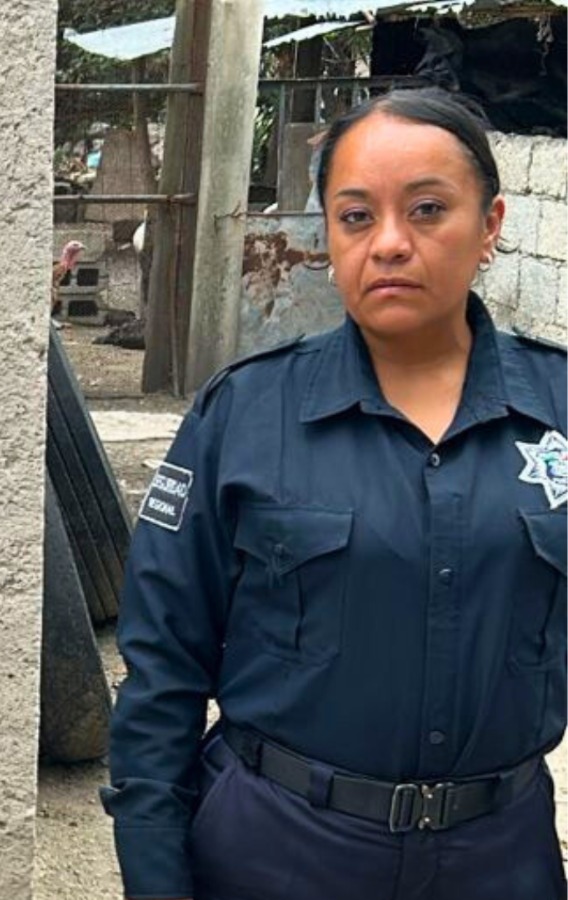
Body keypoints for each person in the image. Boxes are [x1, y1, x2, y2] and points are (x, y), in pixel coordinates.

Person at [102, 86, 567, 900]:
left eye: (427, 210)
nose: (389, 244)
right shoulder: (244, 415)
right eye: (356, 217)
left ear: (490, 224)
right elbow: (162, 667)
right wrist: (154, 871)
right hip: (278, 852)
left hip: (499, 858)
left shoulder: (557, 408)